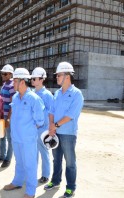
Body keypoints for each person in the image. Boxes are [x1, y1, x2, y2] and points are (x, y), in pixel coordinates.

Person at [44, 62, 84, 198]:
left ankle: (70, 188)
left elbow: (70, 115)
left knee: (70, 162)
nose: (56, 77)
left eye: (59, 75)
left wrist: (54, 125)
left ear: (67, 76)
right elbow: (52, 111)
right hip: (55, 132)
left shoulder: (77, 94)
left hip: (68, 134)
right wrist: (51, 125)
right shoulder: (57, 93)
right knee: (56, 160)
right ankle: (55, 181)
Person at [3, 68, 44, 198]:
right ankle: (17, 182)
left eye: (15, 81)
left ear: (22, 82)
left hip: (28, 139)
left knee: (30, 164)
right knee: (19, 162)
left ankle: (31, 191)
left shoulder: (34, 98)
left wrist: (28, 130)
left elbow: (40, 120)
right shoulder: (15, 97)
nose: (13, 83)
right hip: (16, 137)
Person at [30, 67, 53, 183]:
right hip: (33, 129)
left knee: (44, 152)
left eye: (34, 78)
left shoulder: (47, 95)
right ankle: (32, 174)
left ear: (41, 79)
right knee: (33, 153)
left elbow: (51, 113)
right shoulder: (32, 94)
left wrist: (50, 129)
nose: (32, 80)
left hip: (43, 129)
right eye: (32, 78)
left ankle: (45, 175)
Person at [0, 64, 15, 168]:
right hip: (2, 115)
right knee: (2, 137)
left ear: (10, 74)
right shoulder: (5, 84)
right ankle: (2, 155)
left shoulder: (12, 86)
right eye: (2, 73)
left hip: (8, 116)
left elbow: (12, 104)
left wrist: (8, 118)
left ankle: (8, 158)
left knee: (9, 138)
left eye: (4, 73)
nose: (2, 75)